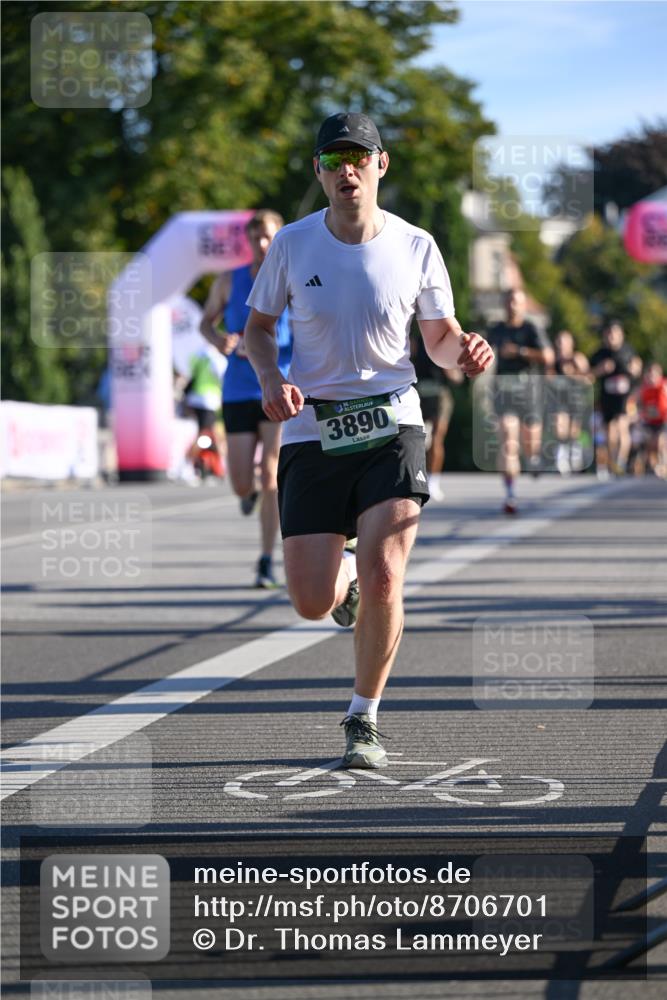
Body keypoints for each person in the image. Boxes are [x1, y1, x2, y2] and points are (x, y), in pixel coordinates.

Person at [244, 112, 493, 768]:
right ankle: (342, 574)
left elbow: (438, 338)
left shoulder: (415, 245)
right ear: (319, 172)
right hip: (311, 428)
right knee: (307, 601)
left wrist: (461, 352)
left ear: (381, 165)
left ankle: (363, 718)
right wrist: (269, 377)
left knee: (388, 574)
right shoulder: (293, 245)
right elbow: (258, 329)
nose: (346, 169)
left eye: (359, 157)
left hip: (391, 423)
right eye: (333, 159)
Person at [200, 210, 293, 588]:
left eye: (268, 236)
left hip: (277, 384)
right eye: (256, 237)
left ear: (279, 237)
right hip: (238, 388)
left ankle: (267, 559)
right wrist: (219, 339)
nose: (262, 244)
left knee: (271, 474)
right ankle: (247, 493)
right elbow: (206, 322)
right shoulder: (229, 280)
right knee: (241, 480)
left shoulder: (292, 277)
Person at [487, 289, 554, 514]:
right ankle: (510, 494)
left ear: (523, 305)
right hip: (503, 391)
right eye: (508, 301)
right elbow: (484, 352)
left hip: (528, 391)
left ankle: (534, 459)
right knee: (508, 440)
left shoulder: (531, 328)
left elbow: (548, 356)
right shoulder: (496, 330)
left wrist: (520, 351)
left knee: (530, 445)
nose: (512, 306)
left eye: (516, 301)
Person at [411, 332, 463, 498]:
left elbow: (457, 378)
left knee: (437, 438)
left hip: (440, 395)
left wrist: (448, 368)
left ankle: (433, 482)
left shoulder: (446, 343)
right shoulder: (413, 339)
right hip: (418, 394)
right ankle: (415, 477)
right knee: (414, 439)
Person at [589, 321, 641, 477]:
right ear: (605, 336)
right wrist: (601, 369)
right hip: (607, 398)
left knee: (622, 426)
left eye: (615, 334)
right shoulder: (600, 353)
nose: (612, 337)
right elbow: (589, 375)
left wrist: (634, 369)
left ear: (621, 335)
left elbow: (638, 367)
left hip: (625, 397)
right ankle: (613, 462)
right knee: (610, 431)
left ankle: (621, 461)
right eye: (609, 334)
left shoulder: (628, 350)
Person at [547, 330, 592, 475]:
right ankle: (561, 458)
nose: (561, 345)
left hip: (575, 399)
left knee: (573, 431)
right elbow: (548, 378)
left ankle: (575, 455)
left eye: (565, 341)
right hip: (559, 398)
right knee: (560, 427)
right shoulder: (553, 359)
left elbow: (588, 379)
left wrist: (571, 374)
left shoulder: (577, 358)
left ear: (571, 343)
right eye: (559, 341)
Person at [635, 361, 667, 477]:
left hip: (663, 420)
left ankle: (663, 464)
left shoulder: (663, 386)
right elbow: (639, 404)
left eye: (654, 375)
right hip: (649, 421)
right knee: (650, 445)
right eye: (649, 376)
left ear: (659, 375)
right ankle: (654, 465)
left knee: (660, 442)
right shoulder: (644, 389)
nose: (652, 378)